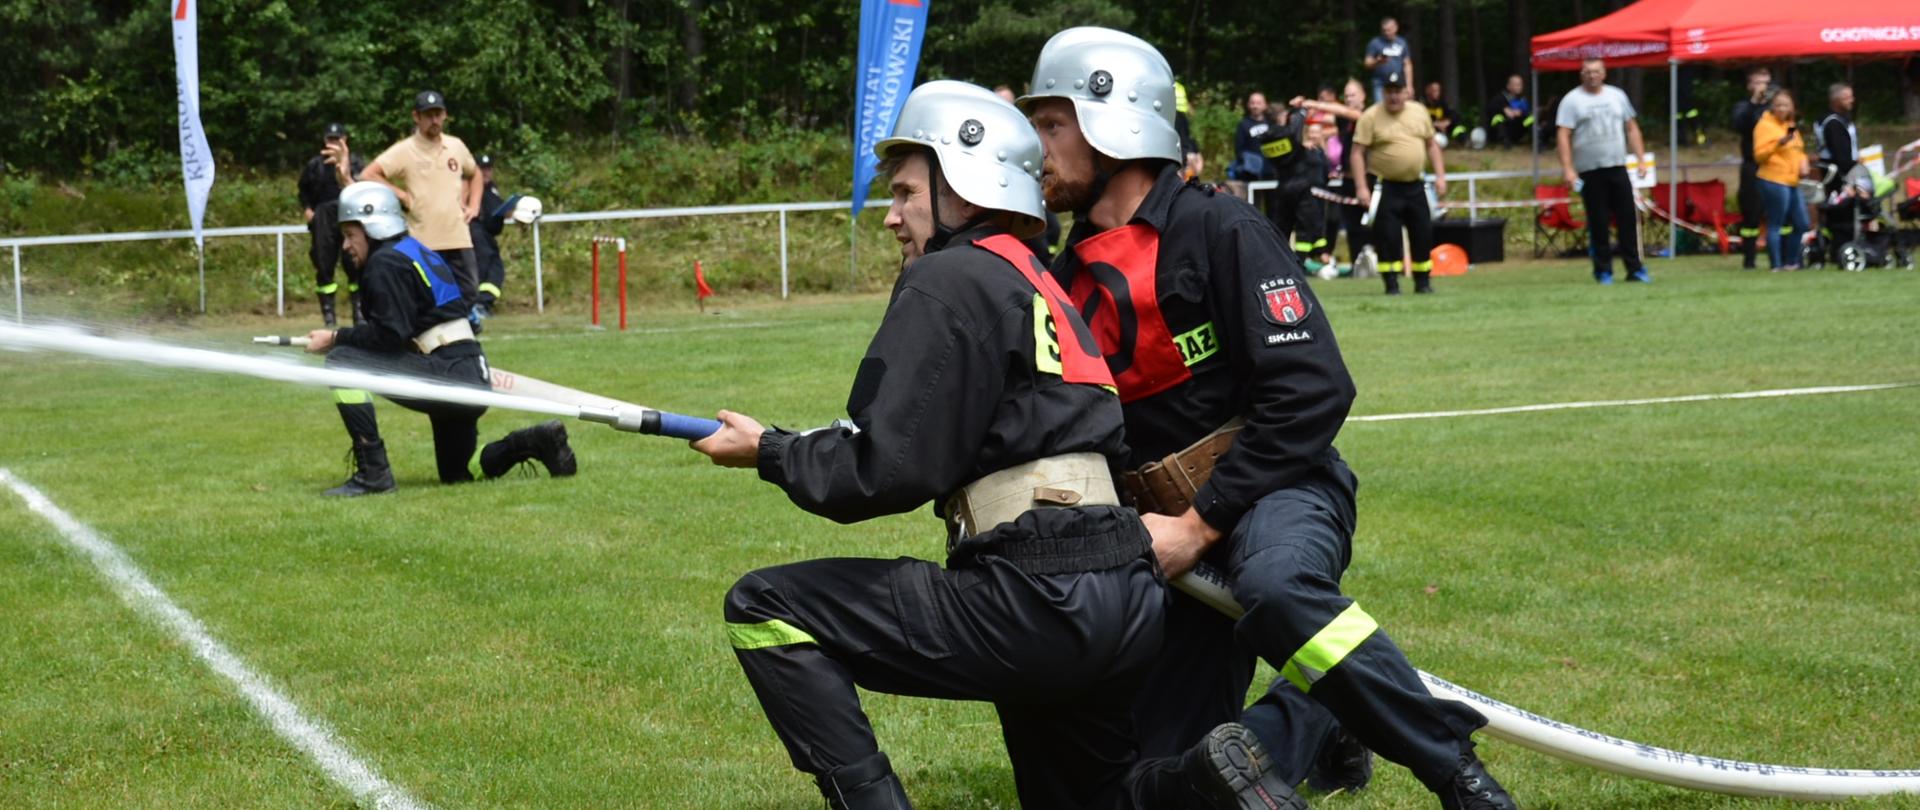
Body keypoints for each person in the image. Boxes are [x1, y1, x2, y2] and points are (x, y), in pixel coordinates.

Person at [695, 79, 1293, 810]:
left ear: (963, 184)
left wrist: (771, 452)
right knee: (1093, 798)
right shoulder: (1042, 280)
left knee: (765, 607)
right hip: (1129, 595)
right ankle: (1206, 788)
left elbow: (883, 472)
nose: (891, 217)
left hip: (1035, 595)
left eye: (906, 193)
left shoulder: (948, 278)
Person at [1022, 27, 1514, 810]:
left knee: (1279, 590)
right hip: (1161, 532)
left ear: (1118, 125)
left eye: (1050, 124)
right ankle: (1322, 712)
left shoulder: (1222, 231)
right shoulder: (1061, 276)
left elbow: (1312, 389)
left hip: (1278, 488)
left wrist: (1200, 522)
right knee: (1168, 774)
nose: (1034, 146)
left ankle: (1456, 772)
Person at [300, 182, 575, 497]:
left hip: (445, 374)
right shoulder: (413, 250)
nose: (345, 246)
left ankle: (372, 472)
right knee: (457, 475)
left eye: (350, 235)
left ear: (373, 228)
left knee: (342, 362)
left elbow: (390, 336)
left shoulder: (384, 264)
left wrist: (335, 337)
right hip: (468, 370)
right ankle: (526, 443)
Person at [363, 90, 485, 300]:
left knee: (469, 293)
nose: (434, 120)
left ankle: (463, 331)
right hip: (424, 239)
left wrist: (473, 205)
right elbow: (368, 174)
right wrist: (402, 196)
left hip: (457, 236)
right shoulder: (405, 149)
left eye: (438, 114)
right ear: (416, 117)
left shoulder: (455, 146)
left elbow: (475, 174)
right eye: (428, 115)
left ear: (445, 115)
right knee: (430, 297)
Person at [1555, 58, 1650, 284]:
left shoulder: (1617, 96)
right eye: (1588, 72)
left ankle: (1635, 269)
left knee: (1627, 219)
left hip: (1617, 167)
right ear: (1581, 74)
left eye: (1596, 71)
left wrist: (1641, 159)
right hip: (1590, 170)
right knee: (1598, 222)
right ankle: (1603, 270)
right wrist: (1568, 169)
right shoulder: (1572, 100)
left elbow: (1631, 128)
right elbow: (1563, 135)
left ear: (1604, 73)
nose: (1592, 75)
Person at [1353, 71, 1448, 295]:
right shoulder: (1370, 116)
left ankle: (1423, 282)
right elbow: (1357, 153)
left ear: (1406, 92)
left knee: (1423, 233)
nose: (1394, 97)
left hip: (1416, 185)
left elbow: (1432, 145)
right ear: (1383, 93)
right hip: (1386, 186)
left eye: (1398, 92)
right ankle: (1391, 284)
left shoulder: (1419, 111)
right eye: (1389, 92)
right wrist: (1361, 187)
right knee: (1388, 237)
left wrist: (1441, 176)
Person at [1296, 80, 1371, 272]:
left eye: (1353, 95)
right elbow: (1330, 121)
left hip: (1367, 179)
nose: (1349, 99)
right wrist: (1312, 137)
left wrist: (1312, 103)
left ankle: (1377, 262)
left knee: (1373, 225)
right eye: (1346, 95)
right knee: (1350, 227)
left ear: (1364, 96)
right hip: (1346, 179)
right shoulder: (1341, 120)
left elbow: (1348, 113)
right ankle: (1357, 267)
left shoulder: (1368, 115)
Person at [297, 122, 364, 327]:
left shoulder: (355, 163)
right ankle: (329, 317)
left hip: (349, 216)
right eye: (330, 139)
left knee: (355, 263)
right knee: (324, 263)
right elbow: (303, 191)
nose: (333, 143)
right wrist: (308, 209)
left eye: (337, 139)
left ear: (345, 140)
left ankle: (360, 313)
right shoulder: (315, 165)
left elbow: (364, 187)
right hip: (323, 217)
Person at [1753, 88, 1812, 271]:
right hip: (1773, 179)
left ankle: (1791, 261)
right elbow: (1759, 156)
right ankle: (1776, 264)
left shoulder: (1790, 126)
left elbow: (1799, 149)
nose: (1782, 108)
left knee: (1802, 223)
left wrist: (1804, 163)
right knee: (1776, 223)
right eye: (1778, 105)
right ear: (1772, 106)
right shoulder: (1764, 125)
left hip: (1792, 180)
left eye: (1785, 105)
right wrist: (1778, 144)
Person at [1731, 67, 1774, 269]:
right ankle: (1749, 258)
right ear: (1750, 85)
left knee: (1778, 211)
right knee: (1751, 212)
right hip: (1752, 165)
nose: (1763, 87)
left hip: (1776, 165)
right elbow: (1740, 125)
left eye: (1766, 82)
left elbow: (1792, 124)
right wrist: (1754, 103)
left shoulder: (1777, 107)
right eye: (1758, 82)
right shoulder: (1743, 107)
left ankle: (1781, 256)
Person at [1817, 83, 1859, 264]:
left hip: (1838, 172)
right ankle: (1841, 251)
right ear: (1835, 100)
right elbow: (1841, 154)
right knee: (1842, 214)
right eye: (1846, 97)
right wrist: (1850, 179)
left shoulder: (1839, 120)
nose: (1851, 100)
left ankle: (1840, 249)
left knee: (1841, 213)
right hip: (1838, 175)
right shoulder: (1833, 123)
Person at [468, 154, 508, 318]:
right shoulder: (470, 187)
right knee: (481, 269)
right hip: (476, 233)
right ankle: (475, 305)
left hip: (488, 236)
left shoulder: (492, 187)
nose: (485, 172)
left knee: (495, 270)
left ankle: (484, 303)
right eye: (482, 169)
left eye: (488, 169)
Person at [1228, 92, 1271, 199]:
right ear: (1248, 105)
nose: (1255, 106)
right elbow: (1238, 150)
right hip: (1251, 173)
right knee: (1253, 204)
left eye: (1258, 103)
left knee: (1273, 205)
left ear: (1265, 105)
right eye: (1252, 103)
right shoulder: (1243, 124)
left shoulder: (1271, 123)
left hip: (1270, 171)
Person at [1365, 17, 1414, 103]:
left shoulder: (1402, 42)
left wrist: (1409, 85)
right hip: (1380, 83)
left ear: (1396, 28)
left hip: (1399, 82)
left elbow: (1407, 64)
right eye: (1384, 30)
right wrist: (1377, 61)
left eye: (1389, 30)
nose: (1386, 33)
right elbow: (1367, 63)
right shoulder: (1375, 43)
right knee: (1381, 110)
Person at [1486, 75, 1533, 149]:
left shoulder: (1523, 99)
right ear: (1508, 86)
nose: (1519, 87)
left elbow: (1528, 111)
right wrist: (1504, 109)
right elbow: (1490, 107)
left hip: (1517, 128)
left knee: (1531, 119)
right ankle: (1504, 142)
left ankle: (1536, 141)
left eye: (1520, 84)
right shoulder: (1501, 97)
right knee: (1498, 118)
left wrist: (1521, 113)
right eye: (1516, 85)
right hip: (1503, 129)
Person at [1422, 82, 1466, 146]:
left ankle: (1461, 142)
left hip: (1442, 129)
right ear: (1428, 91)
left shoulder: (1442, 104)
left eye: (1438, 90)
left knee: (1458, 126)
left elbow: (1455, 114)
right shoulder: (1423, 105)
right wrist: (1436, 124)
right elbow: (1421, 121)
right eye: (1434, 90)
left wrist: (1447, 122)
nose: (1437, 93)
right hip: (1430, 130)